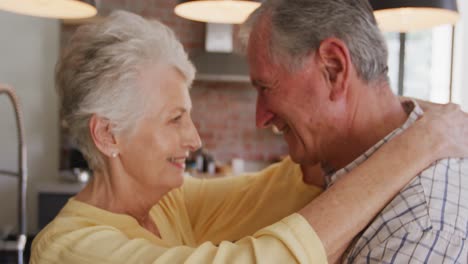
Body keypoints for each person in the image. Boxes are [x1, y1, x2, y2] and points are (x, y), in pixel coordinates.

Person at [30, 10, 468, 264]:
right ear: (109, 134)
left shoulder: (169, 203)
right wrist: (420, 144)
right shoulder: (70, 249)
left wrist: (389, 113)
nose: (195, 138)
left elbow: (295, 182)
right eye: (175, 118)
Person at [242, 0, 468, 262]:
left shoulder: (421, 230)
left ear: (334, 68)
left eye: (265, 87)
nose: (261, 118)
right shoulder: (335, 164)